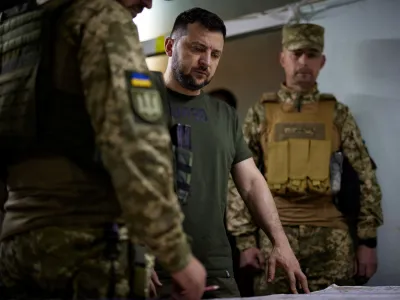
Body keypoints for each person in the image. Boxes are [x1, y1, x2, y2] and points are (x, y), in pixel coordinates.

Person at [0, 0, 206, 299]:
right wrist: (176, 254)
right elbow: (136, 145)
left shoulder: (17, 29)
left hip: (15, 249)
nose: (148, 3)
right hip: (86, 251)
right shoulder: (102, 17)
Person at [151, 8, 309, 299]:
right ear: (170, 46)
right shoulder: (140, 95)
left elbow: (250, 183)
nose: (206, 62)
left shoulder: (224, 115)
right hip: (152, 267)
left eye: (215, 54)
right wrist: (132, 248)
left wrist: (280, 242)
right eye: (197, 49)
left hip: (215, 268)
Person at [227, 23, 383, 295]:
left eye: (311, 54)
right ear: (282, 58)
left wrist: (367, 242)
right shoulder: (260, 114)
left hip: (331, 239)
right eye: (296, 53)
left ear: (322, 61)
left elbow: (365, 176)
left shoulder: (338, 114)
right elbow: (240, 178)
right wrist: (244, 241)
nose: (303, 62)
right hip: (274, 237)